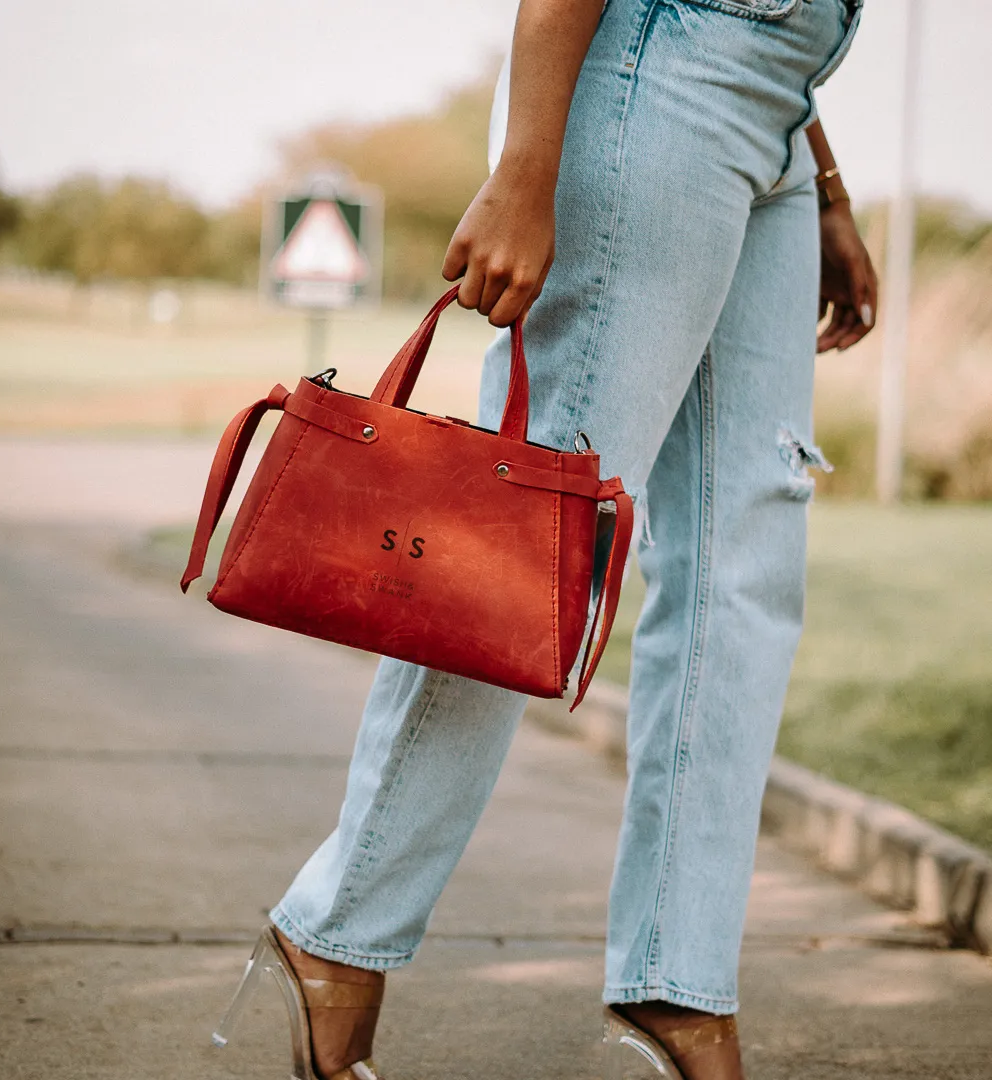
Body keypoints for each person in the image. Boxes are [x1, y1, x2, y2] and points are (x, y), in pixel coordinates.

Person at [214, 1, 875, 1077]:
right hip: (657, 84)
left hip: (780, 119)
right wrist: (527, 165)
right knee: (517, 560)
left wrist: (827, 183)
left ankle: (676, 984)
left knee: (745, 569)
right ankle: (334, 934)